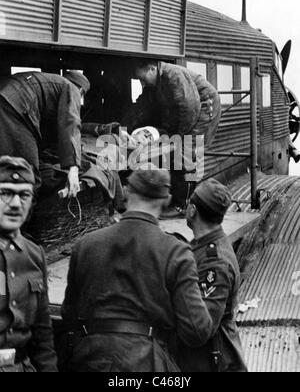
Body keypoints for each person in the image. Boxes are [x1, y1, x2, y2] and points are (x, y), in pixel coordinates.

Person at [61, 166, 213, 372]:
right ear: (166, 200)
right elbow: (197, 331)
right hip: (147, 361)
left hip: (89, 358)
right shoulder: (175, 252)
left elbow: (68, 314)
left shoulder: (86, 244)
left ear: (126, 192)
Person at [125, 60, 221, 216]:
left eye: (143, 78)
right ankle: (177, 198)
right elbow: (142, 106)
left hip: (204, 108)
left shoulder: (173, 75)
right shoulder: (155, 82)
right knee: (176, 150)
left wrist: (179, 137)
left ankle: (182, 205)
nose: (142, 83)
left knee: (186, 154)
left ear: (152, 69)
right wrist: (124, 127)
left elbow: (189, 108)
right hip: (188, 112)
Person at [177, 178, 247, 372]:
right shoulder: (205, 246)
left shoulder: (214, 263)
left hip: (214, 362)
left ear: (192, 210)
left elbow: (201, 327)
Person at [0, 156, 57, 372]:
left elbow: (42, 338)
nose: (15, 204)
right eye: (5, 193)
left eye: (24, 195)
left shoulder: (34, 255)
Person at [0, 70, 90, 197]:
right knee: (27, 175)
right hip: (13, 108)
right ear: (81, 91)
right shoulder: (71, 88)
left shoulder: (51, 83)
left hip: (7, 98)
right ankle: (24, 216)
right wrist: (73, 169)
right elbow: (71, 124)